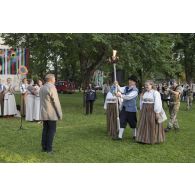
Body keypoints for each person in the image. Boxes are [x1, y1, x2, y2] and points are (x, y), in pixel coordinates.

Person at [39, 74, 62, 153]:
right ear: (51, 79)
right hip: (51, 113)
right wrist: (60, 114)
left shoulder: (42, 87)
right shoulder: (51, 87)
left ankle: (44, 147)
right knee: (51, 131)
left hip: (44, 112)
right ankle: (49, 149)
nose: (55, 80)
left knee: (45, 130)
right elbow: (56, 102)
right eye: (54, 78)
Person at [114, 75, 139, 140]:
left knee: (133, 123)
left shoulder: (135, 90)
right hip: (124, 108)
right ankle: (119, 137)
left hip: (131, 109)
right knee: (122, 121)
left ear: (135, 82)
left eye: (132, 81)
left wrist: (120, 95)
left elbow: (128, 97)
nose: (130, 81)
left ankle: (135, 135)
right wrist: (117, 85)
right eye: (129, 80)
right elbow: (120, 89)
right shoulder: (126, 88)